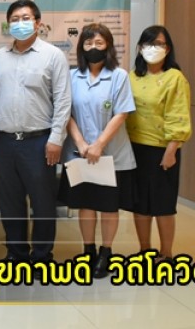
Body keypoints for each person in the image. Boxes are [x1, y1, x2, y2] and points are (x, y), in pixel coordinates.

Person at [0, 0, 71, 265]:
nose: (20, 23)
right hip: (5, 142)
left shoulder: (53, 55)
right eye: (14, 19)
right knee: (10, 203)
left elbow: (63, 101)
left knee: (43, 203)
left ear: (38, 23)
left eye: (25, 18)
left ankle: (41, 257)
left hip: (39, 142)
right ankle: (16, 255)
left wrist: (56, 139)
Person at [59, 23, 136, 278]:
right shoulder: (72, 76)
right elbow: (66, 113)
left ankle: (106, 252)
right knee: (85, 204)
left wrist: (99, 144)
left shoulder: (119, 76)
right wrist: (81, 143)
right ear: (81, 47)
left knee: (109, 206)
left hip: (110, 153)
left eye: (99, 43)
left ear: (109, 46)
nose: (93, 47)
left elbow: (121, 113)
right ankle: (88, 250)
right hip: (80, 153)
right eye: (88, 43)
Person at [126, 25, 192, 261]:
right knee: (140, 204)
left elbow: (178, 116)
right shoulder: (132, 76)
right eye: (148, 44)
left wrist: (171, 150)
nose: (153, 48)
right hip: (135, 148)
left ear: (168, 48)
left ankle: (166, 253)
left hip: (163, 149)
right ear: (140, 48)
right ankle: (144, 250)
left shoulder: (175, 77)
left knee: (163, 204)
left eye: (159, 44)